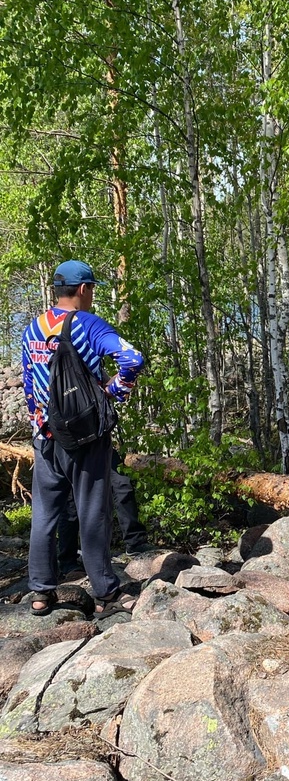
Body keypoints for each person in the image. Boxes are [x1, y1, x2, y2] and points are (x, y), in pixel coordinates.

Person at [22, 259, 145, 617]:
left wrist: (39, 423)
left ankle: (41, 592)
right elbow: (132, 358)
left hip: (46, 436)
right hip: (85, 434)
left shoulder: (34, 328)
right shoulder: (87, 324)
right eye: (91, 288)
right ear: (82, 289)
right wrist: (113, 391)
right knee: (93, 512)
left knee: (45, 515)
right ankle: (106, 592)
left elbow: (30, 383)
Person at [57, 446, 153, 580]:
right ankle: (68, 561)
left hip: (100, 443)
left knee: (123, 486)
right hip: (70, 446)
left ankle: (135, 543)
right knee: (71, 504)